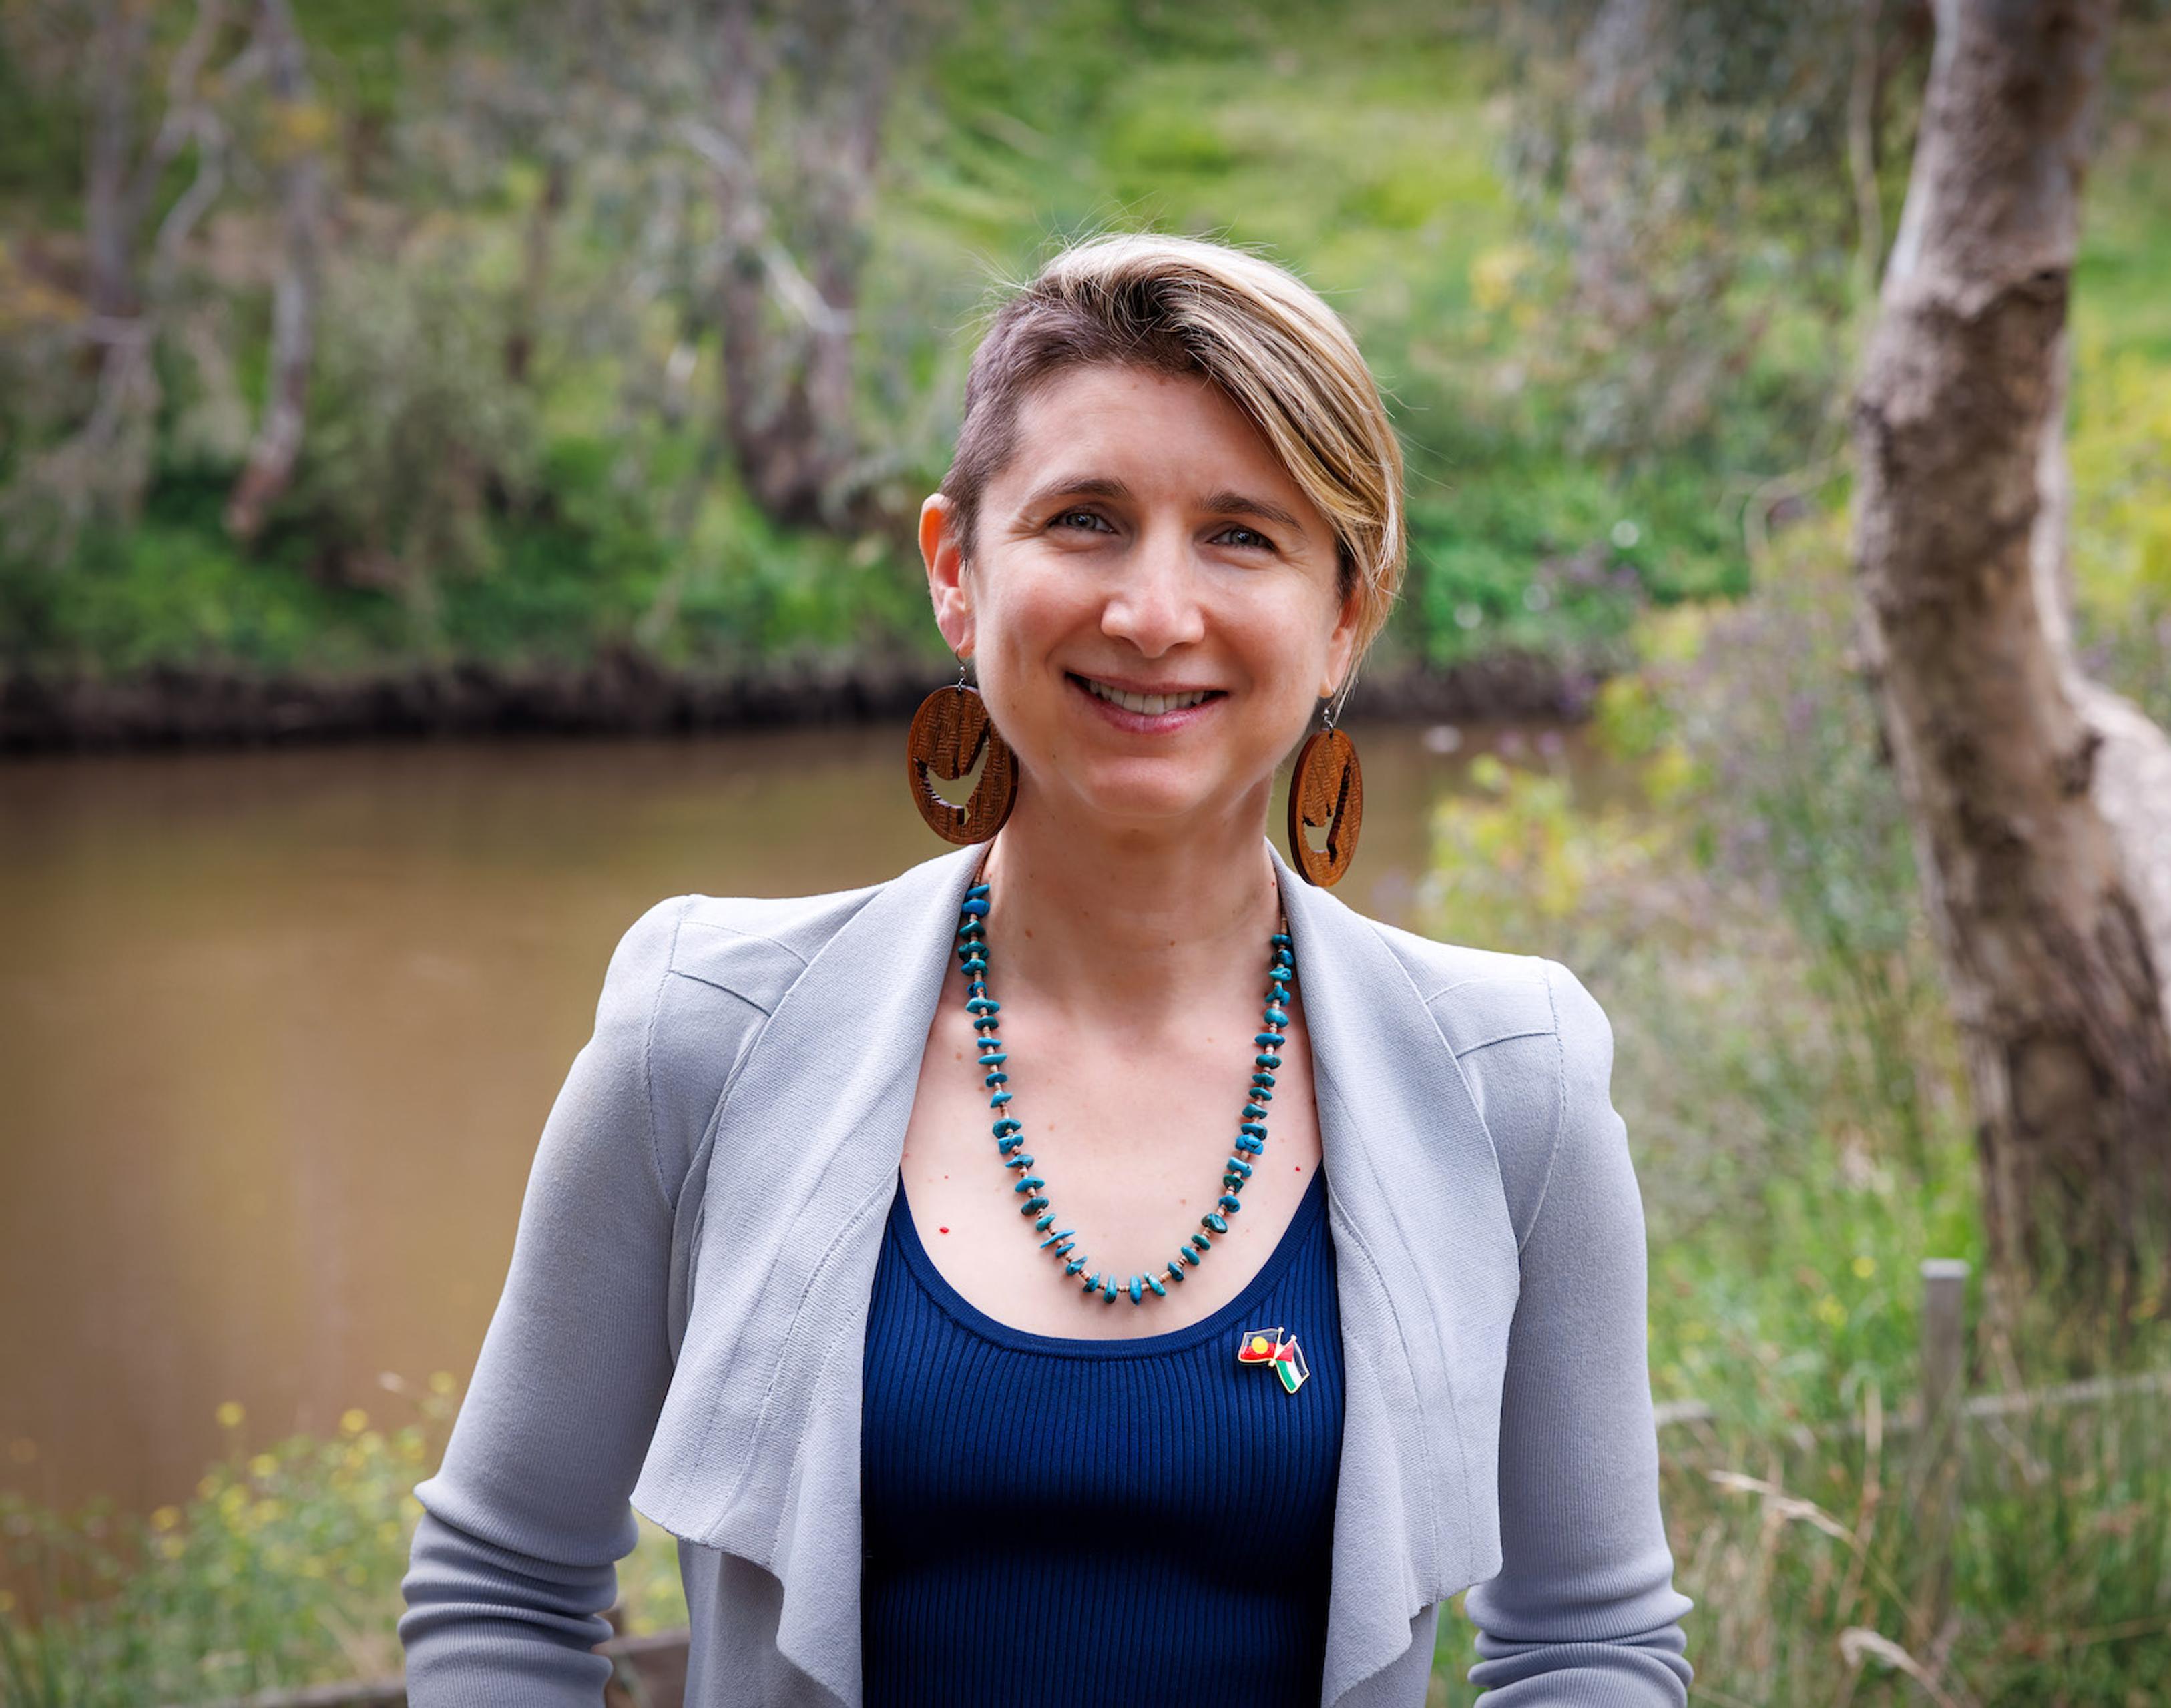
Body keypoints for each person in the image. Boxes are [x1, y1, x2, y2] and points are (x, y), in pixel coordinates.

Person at [398, 232, 1694, 1707]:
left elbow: (1590, 1645)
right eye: (1086, 519)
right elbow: (501, 1583)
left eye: (1243, 534)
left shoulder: (1511, 1080)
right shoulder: (703, 1033)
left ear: (1346, 614)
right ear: (958, 569)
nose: (1152, 612)